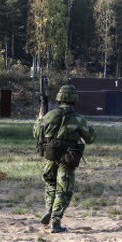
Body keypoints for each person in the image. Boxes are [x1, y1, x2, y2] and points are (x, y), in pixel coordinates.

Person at [33, 85, 96, 233]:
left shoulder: (49, 116)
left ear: (59, 98)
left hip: (50, 155)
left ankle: (49, 208)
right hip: (67, 159)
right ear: (74, 100)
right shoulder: (78, 119)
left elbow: (37, 133)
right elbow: (91, 138)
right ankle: (55, 221)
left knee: (50, 184)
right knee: (64, 189)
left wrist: (39, 119)